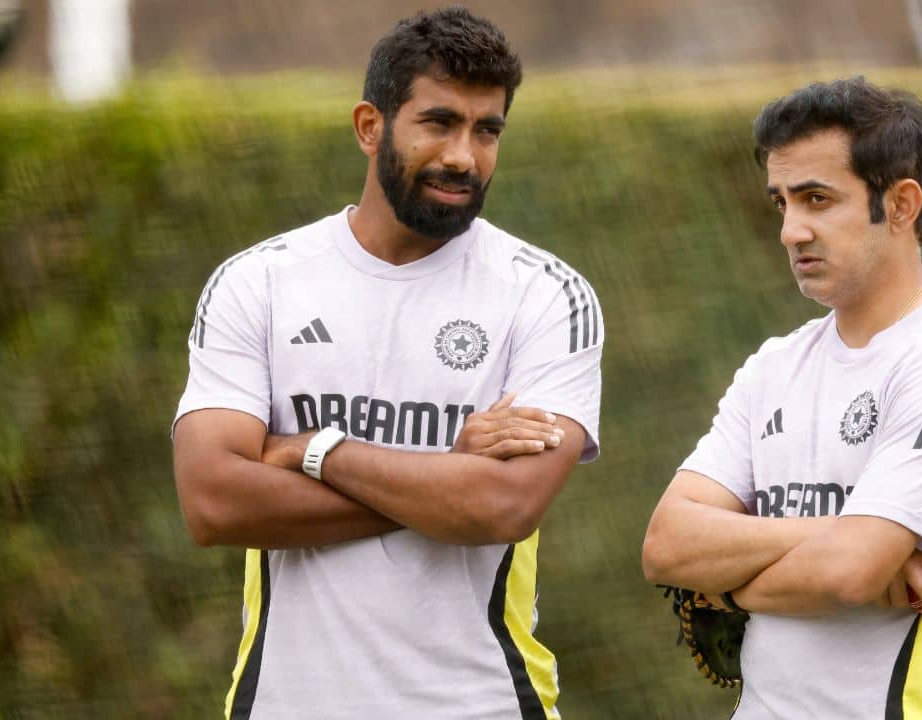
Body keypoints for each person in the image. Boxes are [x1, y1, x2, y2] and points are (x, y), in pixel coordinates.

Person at [171, 8, 602, 719]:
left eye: (487, 130)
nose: (463, 156)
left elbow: (503, 505)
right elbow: (213, 501)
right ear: (370, 126)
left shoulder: (546, 294)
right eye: (439, 123)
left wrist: (311, 451)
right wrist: (445, 478)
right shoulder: (260, 283)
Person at [642, 76, 922, 718]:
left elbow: (850, 573)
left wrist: (724, 589)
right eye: (782, 203)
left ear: (900, 205)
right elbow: (666, 544)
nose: (791, 231)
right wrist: (844, 535)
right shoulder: (773, 366)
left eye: (817, 199)